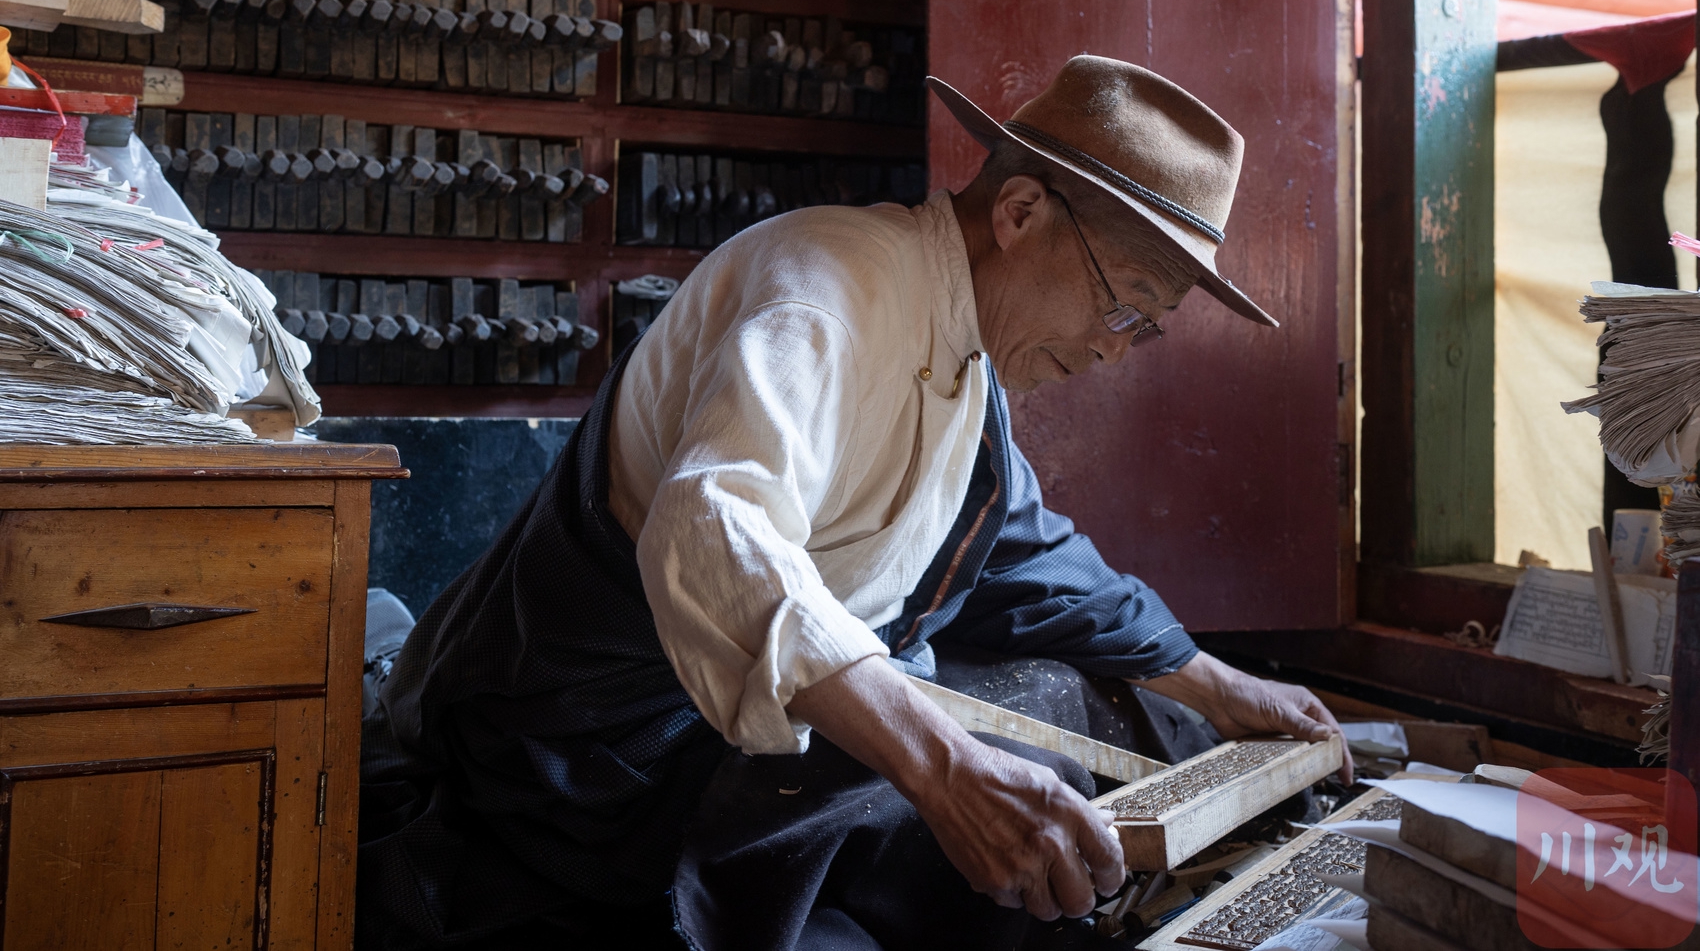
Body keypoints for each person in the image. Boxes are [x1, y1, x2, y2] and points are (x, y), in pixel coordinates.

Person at [357, 55, 1352, 950]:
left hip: (712, 728)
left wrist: (1214, 682)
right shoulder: (823, 290)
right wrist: (946, 769)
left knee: (1069, 698)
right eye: (1121, 303)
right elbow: (714, 531)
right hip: (590, 745)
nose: (1111, 350)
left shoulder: (966, 349)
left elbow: (1017, 547)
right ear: (1019, 213)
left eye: (1145, 328)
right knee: (961, 798)